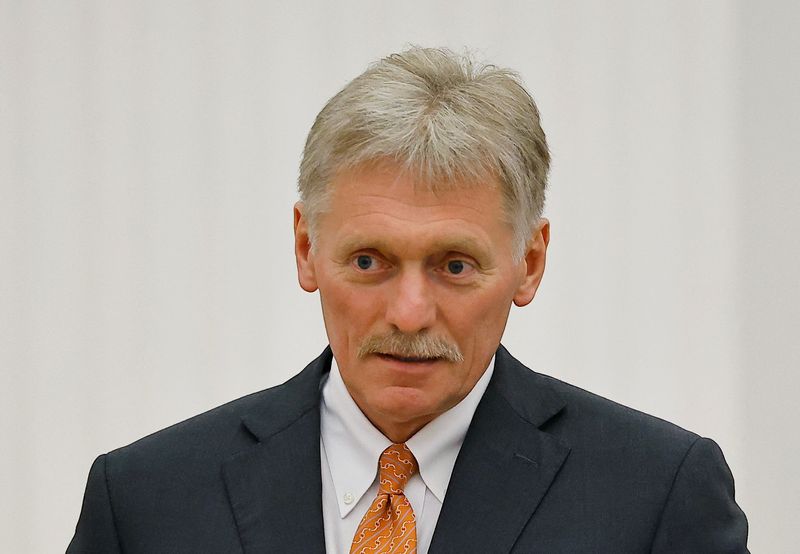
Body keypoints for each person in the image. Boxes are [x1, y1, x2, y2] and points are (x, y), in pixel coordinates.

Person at [68, 47, 748, 553]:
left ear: (529, 263)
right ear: (306, 247)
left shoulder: (657, 495)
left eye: (455, 265)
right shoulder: (146, 501)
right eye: (369, 261)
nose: (410, 313)